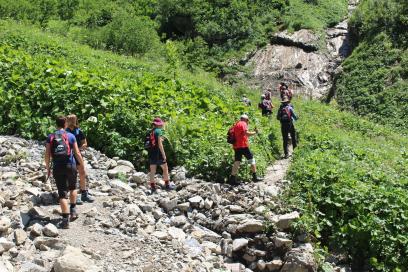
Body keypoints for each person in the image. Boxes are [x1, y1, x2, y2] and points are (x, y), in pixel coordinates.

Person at [45, 116, 84, 229]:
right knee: (72, 188)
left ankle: (65, 220)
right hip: (70, 165)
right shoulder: (71, 136)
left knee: (62, 194)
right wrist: (81, 165)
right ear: (65, 124)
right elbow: (76, 152)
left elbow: (47, 154)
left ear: (56, 124)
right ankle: (73, 210)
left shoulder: (50, 137)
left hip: (58, 167)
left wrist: (47, 167)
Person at [66, 114, 95, 204]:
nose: (73, 121)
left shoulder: (79, 131)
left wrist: (81, 147)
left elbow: (85, 143)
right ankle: (73, 196)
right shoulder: (65, 132)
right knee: (71, 175)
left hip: (78, 154)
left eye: (74, 119)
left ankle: (84, 193)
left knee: (82, 172)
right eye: (71, 119)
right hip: (68, 155)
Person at [228, 114, 263, 185]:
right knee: (251, 159)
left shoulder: (236, 124)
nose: (248, 122)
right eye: (248, 120)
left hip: (236, 146)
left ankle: (232, 178)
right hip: (243, 146)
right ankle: (255, 177)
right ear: (246, 120)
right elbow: (246, 133)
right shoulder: (243, 123)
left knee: (237, 161)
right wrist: (255, 132)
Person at [148, 117, 174, 193]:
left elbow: (153, 142)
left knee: (152, 171)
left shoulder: (151, 132)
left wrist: (160, 140)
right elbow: (160, 144)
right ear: (158, 125)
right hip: (158, 153)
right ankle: (167, 185)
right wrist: (164, 155)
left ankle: (152, 187)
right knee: (165, 169)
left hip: (152, 153)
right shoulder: (159, 131)